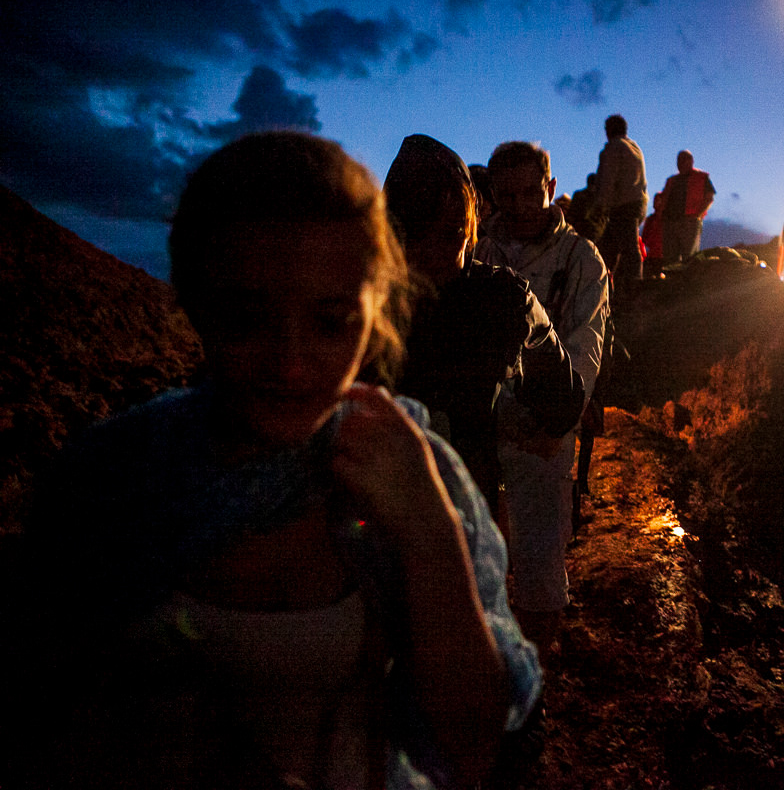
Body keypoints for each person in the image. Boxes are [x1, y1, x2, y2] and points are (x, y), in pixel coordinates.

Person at [13, 131, 540, 790]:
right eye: (247, 316)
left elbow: (471, 741)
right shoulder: (106, 482)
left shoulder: (407, 462)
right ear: (194, 301)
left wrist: (430, 531)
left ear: (375, 312)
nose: (290, 363)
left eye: (330, 320)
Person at [372, 132, 585, 522]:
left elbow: (561, 392)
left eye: (452, 232)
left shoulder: (501, 299)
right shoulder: (363, 304)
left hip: (459, 516)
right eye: (423, 233)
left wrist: (546, 432)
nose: (438, 251)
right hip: (388, 515)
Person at [475, 140, 609, 659]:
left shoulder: (580, 259)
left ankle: (530, 689)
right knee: (475, 556)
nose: (520, 205)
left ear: (550, 188)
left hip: (542, 433)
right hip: (484, 424)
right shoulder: (478, 248)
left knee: (540, 564)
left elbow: (584, 349)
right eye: (506, 195)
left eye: (530, 192)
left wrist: (551, 425)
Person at [594, 114, 647, 302]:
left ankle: (630, 290)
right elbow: (642, 182)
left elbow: (608, 179)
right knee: (612, 248)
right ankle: (611, 289)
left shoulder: (613, 148)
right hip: (635, 204)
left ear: (609, 130)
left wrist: (601, 205)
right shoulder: (634, 148)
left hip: (621, 206)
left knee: (625, 250)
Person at [660, 150, 716, 266]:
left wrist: (697, 215)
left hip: (689, 222)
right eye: (679, 160)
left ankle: (689, 282)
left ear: (691, 161)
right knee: (670, 257)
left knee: (689, 258)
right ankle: (672, 281)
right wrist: (663, 216)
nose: (680, 163)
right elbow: (663, 199)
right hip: (670, 223)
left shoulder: (701, 177)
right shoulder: (671, 180)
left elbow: (709, 197)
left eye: (683, 160)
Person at [564, 172, 607, 246]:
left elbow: (572, 214)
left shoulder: (579, 195)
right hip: (593, 233)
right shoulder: (600, 199)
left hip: (581, 231)